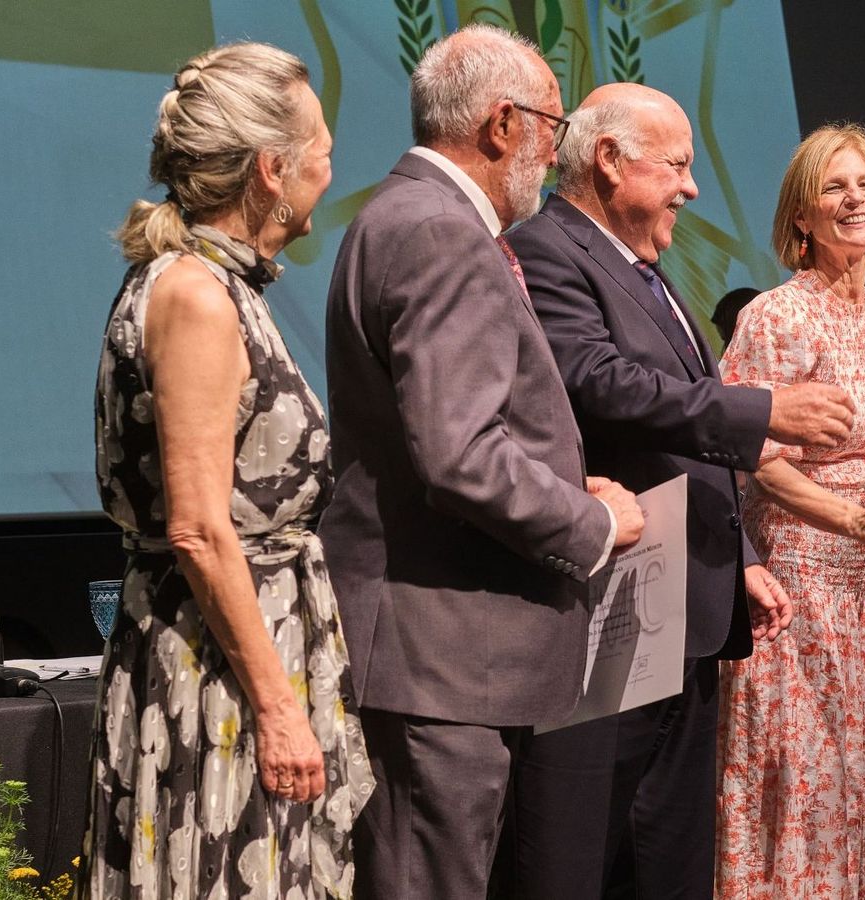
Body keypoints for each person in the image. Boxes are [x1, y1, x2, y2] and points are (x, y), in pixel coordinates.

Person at [504, 82, 857, 900]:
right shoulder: (547, 250)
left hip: (684, 609)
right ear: (608, 159)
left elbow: (683, 442)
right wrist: (766, 409)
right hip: (605, 604)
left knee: (668, 854)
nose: (692, 187)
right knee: (580, 851)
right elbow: (597, 383)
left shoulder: (647, 269)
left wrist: (736, 557)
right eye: (676, 165)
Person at [317, 25, 646, 900]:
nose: (556, 145)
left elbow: (449, 427)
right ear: (502, 124)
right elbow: (458, 453)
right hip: (440, 656)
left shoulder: (403, 214)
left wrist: (565, 484)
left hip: (444, 653)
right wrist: (594, 520)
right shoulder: (436, 231)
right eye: (552, 122)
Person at [82, 42, 370, 897]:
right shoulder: (194, 295)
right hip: (217, 675)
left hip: (253, 653)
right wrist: (279, 706)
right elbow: (202, 529)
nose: (331, 159)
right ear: (271, 171)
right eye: (319, 143)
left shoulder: (221, 286)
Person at [716, 122, 865, 900]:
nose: (857, 199)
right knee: (803, 781)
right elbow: (754, 457)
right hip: (795, 588)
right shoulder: (775, 318)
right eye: (835, 187)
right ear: (801, 218)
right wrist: (847, 519)